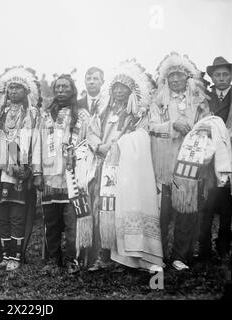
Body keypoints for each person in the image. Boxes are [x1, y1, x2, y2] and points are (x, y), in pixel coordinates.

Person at [85, 59, 154, 272]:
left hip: (124, 169)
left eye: (124, 89)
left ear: (132, 92)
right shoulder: (103, 110)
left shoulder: (137, 115)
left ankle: (122, 257)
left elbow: (142, 137)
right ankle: (103, 255)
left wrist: (121, 147)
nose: (119, 92)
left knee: (121, 211)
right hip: (102, 165)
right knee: (100, 209)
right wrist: (101, 147)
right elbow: (91, 132)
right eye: (116, 88)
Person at [149, 52, 210, 271]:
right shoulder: (158, 101)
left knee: (186, 211)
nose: (175, 80)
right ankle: (158, 255)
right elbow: (151, 127)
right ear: (166, 79)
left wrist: (195, 130)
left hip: (189, 165)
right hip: (164, 165)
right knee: (162, 213)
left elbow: (208, 125)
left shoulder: (198, 100)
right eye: (171, 76)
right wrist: (173, 124)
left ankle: (180, 255)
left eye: (179, 75)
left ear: (187, 77)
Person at [0, 67, 41, 271]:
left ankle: (16, 257)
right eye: (11, 88)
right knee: (1, 216)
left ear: (26, 92)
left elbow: (37, 143)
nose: (14, 91)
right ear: (6, 92)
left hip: (20, 172)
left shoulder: (33, 114)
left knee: (17, 216)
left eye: (18, 88)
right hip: (0, 171)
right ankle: (5, 256)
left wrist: (33, 171)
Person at [34, 74, 89, 274]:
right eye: (57, 87)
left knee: (72, 222)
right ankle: (52, 260)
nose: (60, 91)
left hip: (72, 178)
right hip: (49, 177)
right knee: (51, 223)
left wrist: (78, 161)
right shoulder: (46, 115)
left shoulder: (82, 115)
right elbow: (38, 144)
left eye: (65, 87)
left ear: (72, 90)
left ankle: (72, 260)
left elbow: (87, 143)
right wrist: (37, 173)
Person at [199, 56, 232, 263]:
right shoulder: (207, 98)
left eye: (225, 74)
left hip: (229, 154)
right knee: (207, 202)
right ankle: (203, 249)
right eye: (217, 75)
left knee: (228, 203)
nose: (221, 78)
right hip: (208, 156)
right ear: (212, 77)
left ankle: (223, 247)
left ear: (230, 76)